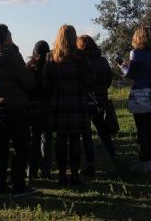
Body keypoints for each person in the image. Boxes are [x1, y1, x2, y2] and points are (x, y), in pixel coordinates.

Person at [0, 24, 37, 197]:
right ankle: (18, 185)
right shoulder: (12, 55)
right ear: (6, 37)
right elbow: (27, 81)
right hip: (16, 105)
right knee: (21, 146)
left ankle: (0, 186)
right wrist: (30, 72)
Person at [45, 25, 94, 186]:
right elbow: (89, 81)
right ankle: (74, 174)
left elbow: (46, 83)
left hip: (58, 103)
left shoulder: (50, 57)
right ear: (73, 38)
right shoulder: (80, 57)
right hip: (77, 103)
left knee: (60, 139)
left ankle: (61, 174)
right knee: (74, 139)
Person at [120, 26, 151, 173]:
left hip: (138, 95)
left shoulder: (135, 53)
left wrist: (123, 67)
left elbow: (131, 75)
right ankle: (149, 163)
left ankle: (143, 162)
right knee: (148, 129)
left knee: (141, 130)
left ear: (137, 38)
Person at [77, 35, 117, 175]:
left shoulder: (82, 62)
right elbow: (109, 78)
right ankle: (113, 156)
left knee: (86, 133)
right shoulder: (103, 60)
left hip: (88, 100)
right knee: (103, 131)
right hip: (102, 99)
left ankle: (90, 164)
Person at [25, 40, 53, 180]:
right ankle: (46, 171)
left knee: (33, 140)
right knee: (46, 141)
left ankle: (31, 171)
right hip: (47, 107)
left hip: (32, 108)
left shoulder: (29, 68)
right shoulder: (50, 67)